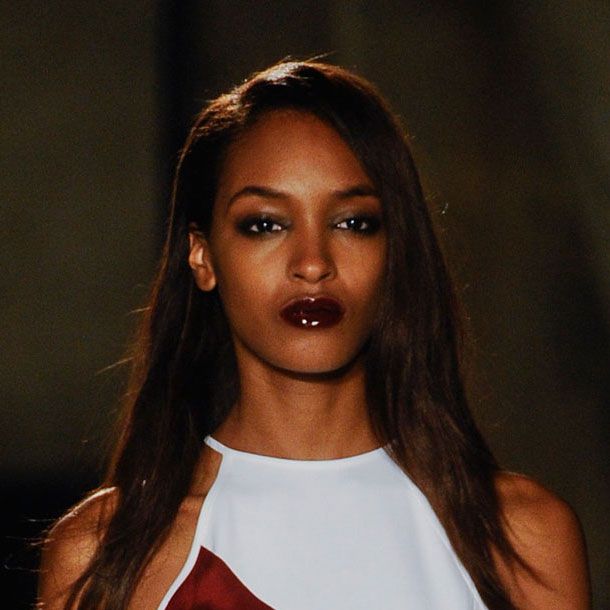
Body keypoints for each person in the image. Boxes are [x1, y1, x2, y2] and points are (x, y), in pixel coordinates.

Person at [38, 60, 590, 610]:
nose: (312, 263)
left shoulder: (524, 540)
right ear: (201, 255)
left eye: (353, 223)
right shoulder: (104, 558)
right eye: (265, 224)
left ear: (394, 250)